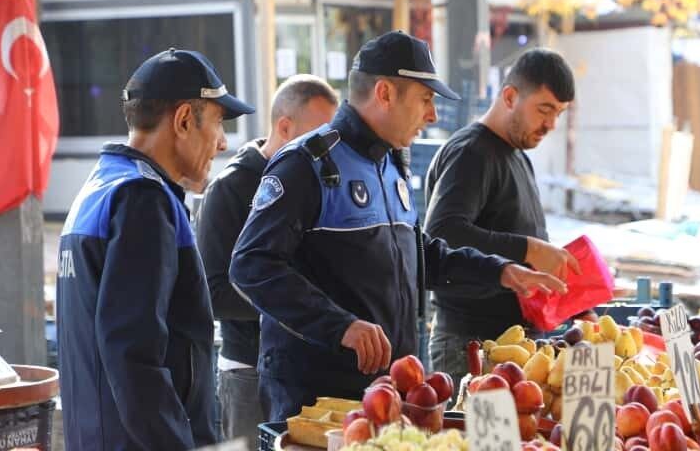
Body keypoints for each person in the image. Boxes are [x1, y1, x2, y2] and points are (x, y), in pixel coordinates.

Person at [229, 31, 571, 421]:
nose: (433, 115)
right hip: (317, 397)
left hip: (389, 390)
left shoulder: (392, 163)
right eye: (425, 99)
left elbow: (422, 256)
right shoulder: (307, 164)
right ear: (385, 93)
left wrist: (501, 271)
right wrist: (340, 326)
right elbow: (251, 264)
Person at [56, 48, 254, 450]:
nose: (221, 143)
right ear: (183, 120)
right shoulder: (144, 201)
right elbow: (134, 356)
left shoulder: (100, 187)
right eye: (218, 122)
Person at [195, 75, 338, 445]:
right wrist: (296, 305)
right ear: (285, 127)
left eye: (332, 138)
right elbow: (213, 293)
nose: (328, 150)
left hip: (306, 364)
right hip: (248, 371)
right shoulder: (229, 189)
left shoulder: (320, 182)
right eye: (319, 137)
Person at [424, 47, 579, 385]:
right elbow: (442, 233)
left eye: (559, 113)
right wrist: (529, 249)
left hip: (519, 346)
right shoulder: (471, 153)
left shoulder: (518, 155)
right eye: (544, 109)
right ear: (510, 97)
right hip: (472, 347)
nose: (551, 124)